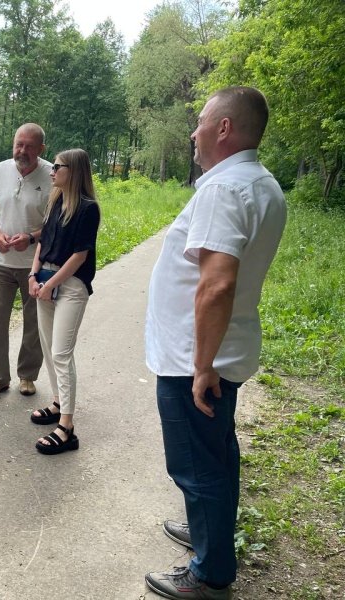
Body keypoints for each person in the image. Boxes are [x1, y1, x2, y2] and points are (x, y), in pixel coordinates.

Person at [144, 86, 286, 599]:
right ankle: (212, 534)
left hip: (196, 361)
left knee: (196, 464)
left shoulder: (224, 189)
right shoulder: (261, 183)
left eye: (201, 121)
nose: (193, 132)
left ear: (224, 128)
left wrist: (201, 365)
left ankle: (210, 574)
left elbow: (218, 282)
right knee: (219, 453)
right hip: (225, 350)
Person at [27, 149, 100, 455]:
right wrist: (33, 276)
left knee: (61, 353)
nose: (51, 171)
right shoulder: (55, 201)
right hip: (43, 281)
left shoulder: (87, 208)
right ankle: (59, 403)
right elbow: (43, 242)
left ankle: (67, 428)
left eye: (57, 167)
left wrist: (50, 285)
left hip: (69, 286)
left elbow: (80, 255)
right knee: (47, 348)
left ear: (75, 170)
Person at [0, 123, 52, 397]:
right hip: (1, 263)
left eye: (29, 146)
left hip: (36, 265)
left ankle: (28, 376)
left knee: (34, 323)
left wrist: (31, 238)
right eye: (18, 144)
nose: (22, 151)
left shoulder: (51, 176)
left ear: (41, 149)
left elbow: (56, 224)